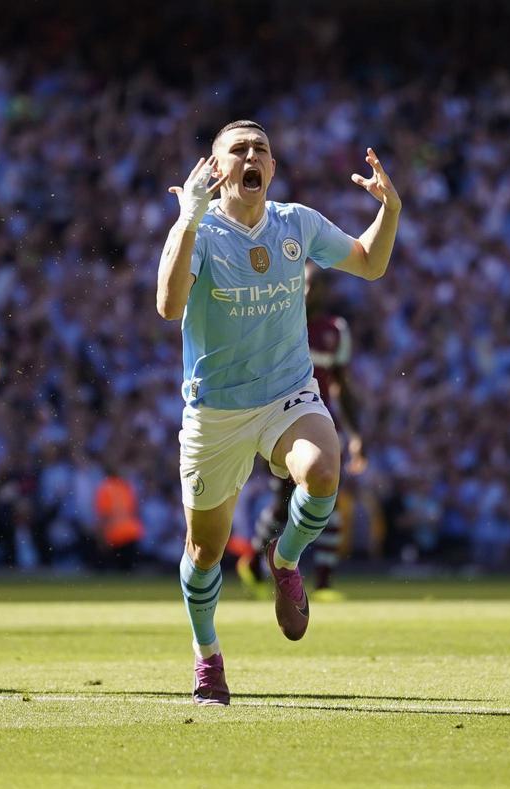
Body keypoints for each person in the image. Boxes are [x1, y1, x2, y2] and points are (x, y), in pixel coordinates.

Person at [157, 120, 400, 704]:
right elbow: (168, 306)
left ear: (272, 166)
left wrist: (391, 207)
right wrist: (187, 219)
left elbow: (370, 262)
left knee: (322, 471)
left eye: (260, 149)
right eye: (238, 149)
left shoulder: (296, 222)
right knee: (205, 552)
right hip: (216, 411)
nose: (250, 156)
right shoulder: (200, 228)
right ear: (216, 169)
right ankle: (208, 658)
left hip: (287, 394)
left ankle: (284, 559)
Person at [239, 264, 367, 601]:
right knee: (283, 504)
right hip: (283, 426)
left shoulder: (336, 330)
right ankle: (255, 561)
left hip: (323, 425)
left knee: (329, 498)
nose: (309, 292)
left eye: (314, 286)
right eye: (304, 285)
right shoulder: (282, 324)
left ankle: (324, 582)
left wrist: (356, 433)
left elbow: (343, 386)